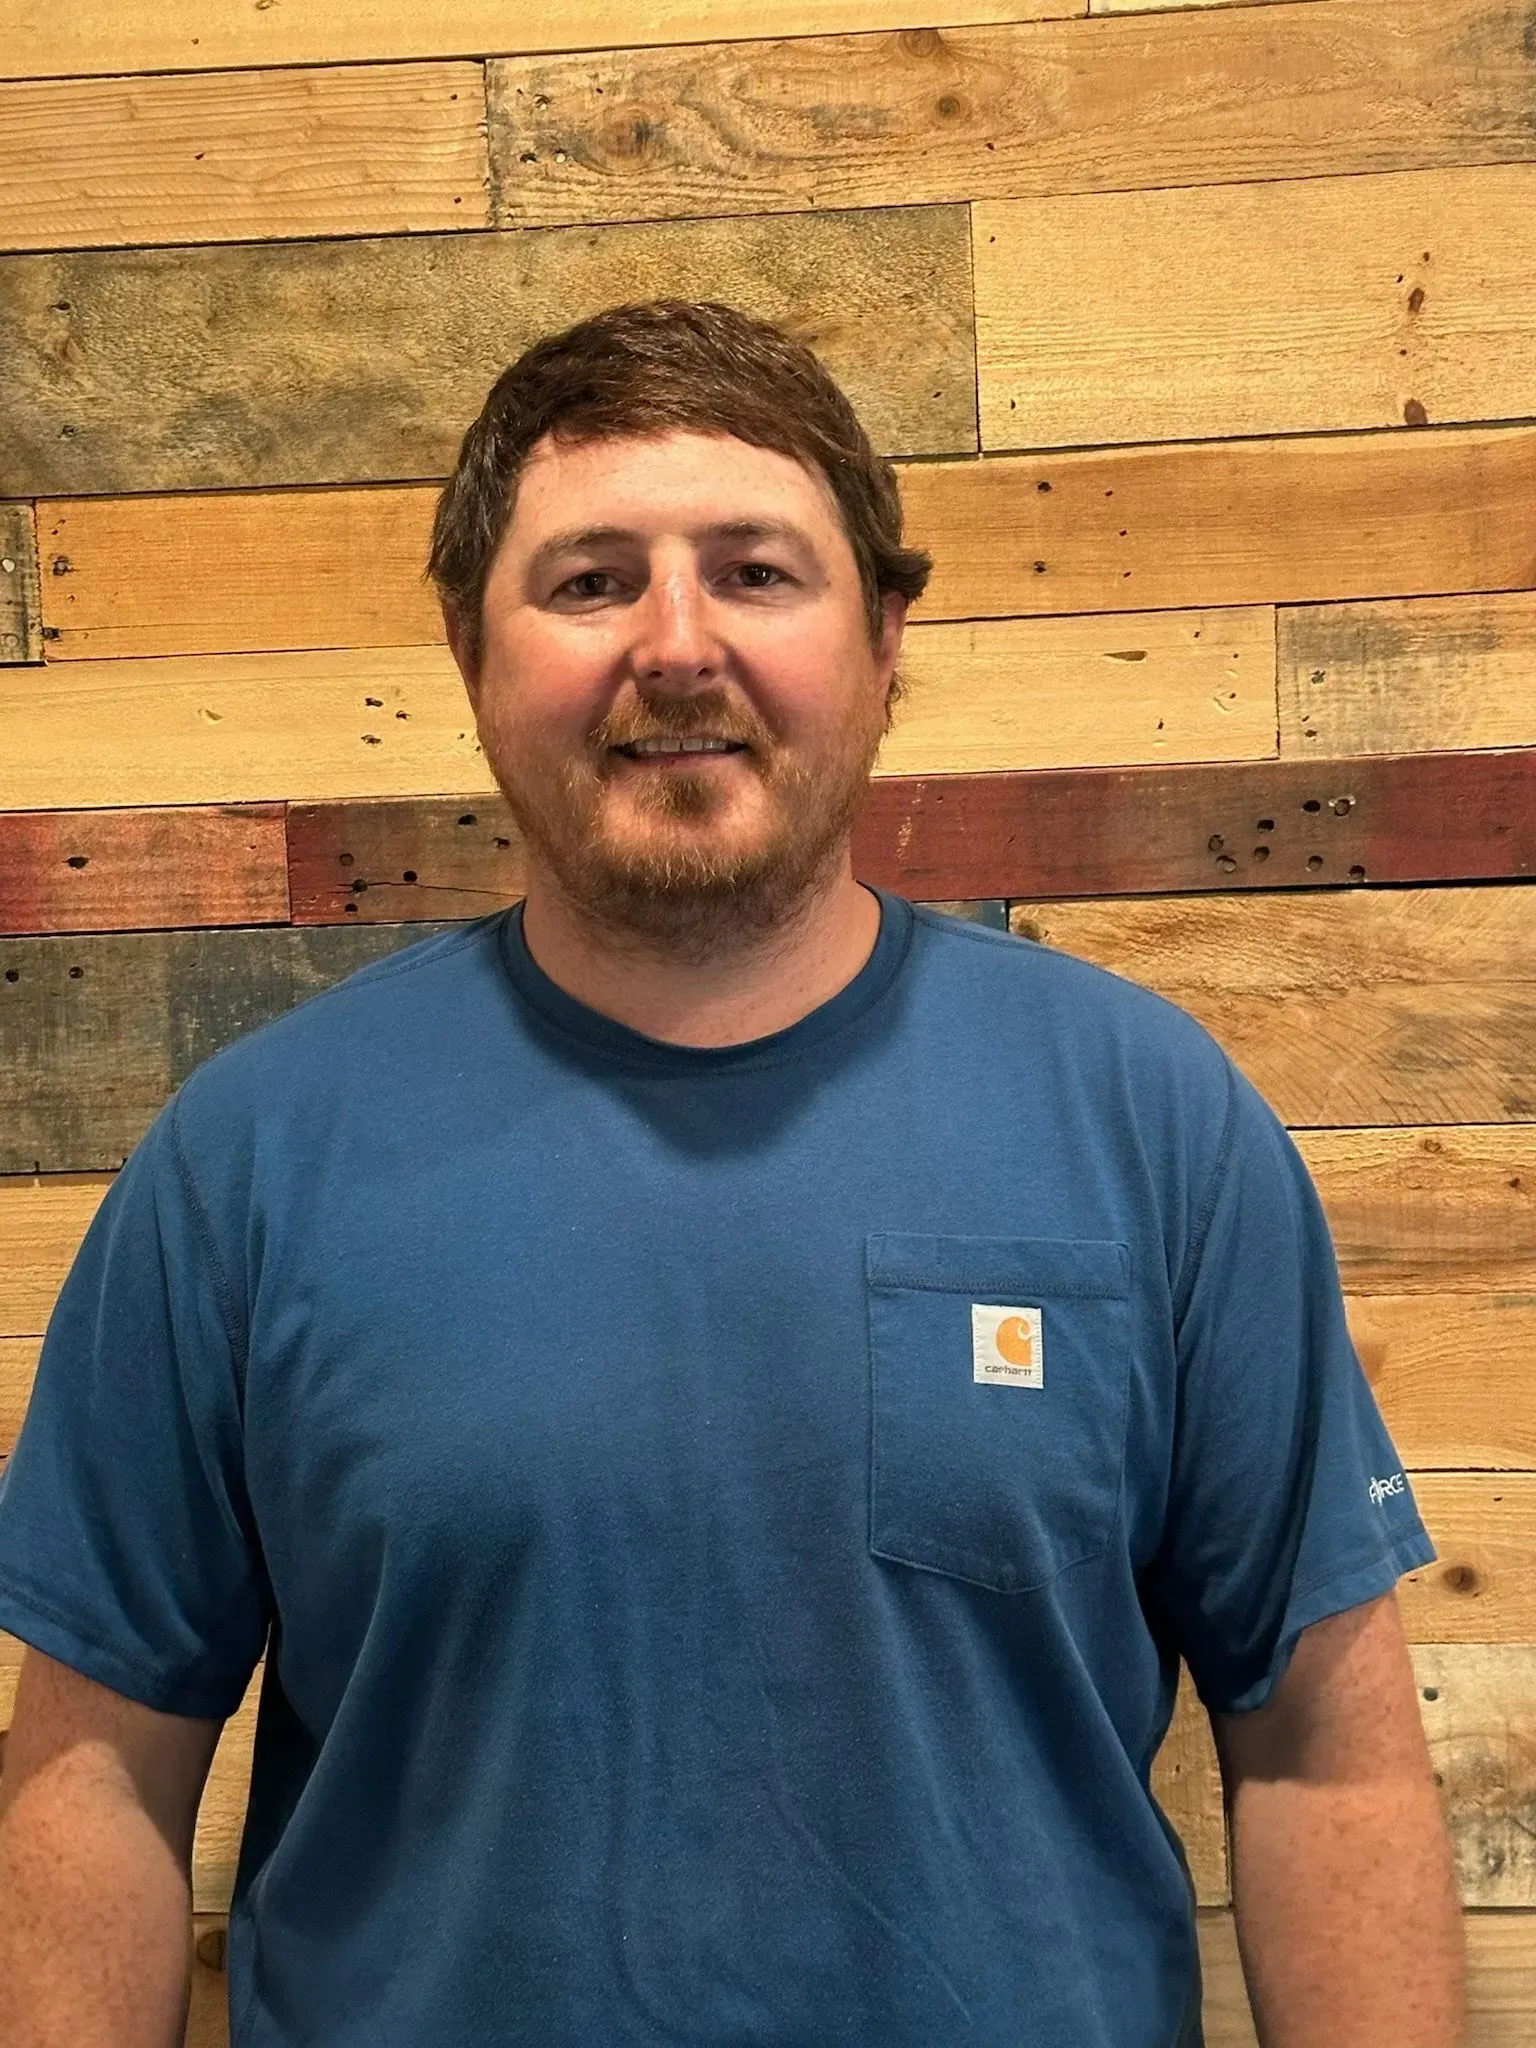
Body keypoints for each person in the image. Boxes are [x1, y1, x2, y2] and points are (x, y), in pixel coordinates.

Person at [0, 299, 1465, 2047]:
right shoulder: (248, 1162)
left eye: (757, 571)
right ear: (473, 652)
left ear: (884, 638)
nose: (675, 646)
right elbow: (93, 1780)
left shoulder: (1149, 1121)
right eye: (590, 580)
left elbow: (1328, 1760)